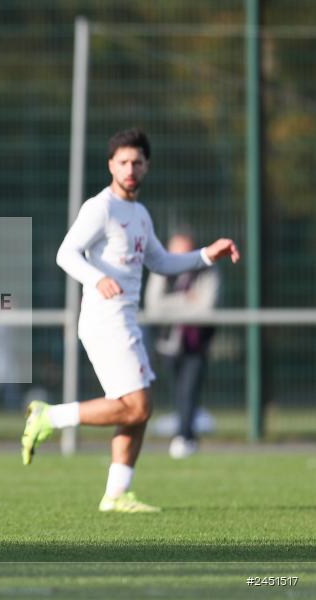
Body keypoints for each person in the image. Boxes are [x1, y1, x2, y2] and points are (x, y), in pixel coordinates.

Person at [22, 128, 239, 512]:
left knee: (141, 407)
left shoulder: (139, 214)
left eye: (137, 162)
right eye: (122, 162)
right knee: (136, 406)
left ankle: (117, 493)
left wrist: (207, 255)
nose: (130, 169)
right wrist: (97, 276)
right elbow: (66, 253)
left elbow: (161, 262)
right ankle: (49, 416)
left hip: (126, 321)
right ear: (111, 165)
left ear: (147, 166)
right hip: (105, 322)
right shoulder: (100, 207)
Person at [145, 231, 220, 459]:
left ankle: (184, 437)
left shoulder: (207, 270)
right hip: (168, 344)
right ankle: (187, 436)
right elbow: (154, 307)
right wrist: (186, 299)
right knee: (179, 392)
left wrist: (172, 306)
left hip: (196, 345)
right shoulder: (162, 270)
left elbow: (206, 309)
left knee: (189, 390)